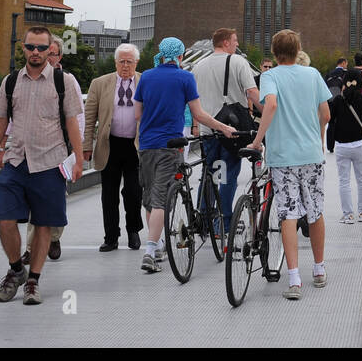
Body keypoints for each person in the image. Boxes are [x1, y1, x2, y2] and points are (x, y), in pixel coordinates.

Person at [0, 27, 83, 306]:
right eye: (31, 47)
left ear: (50, 49)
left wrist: (78, 158)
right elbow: (0, 121)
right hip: (16, 160)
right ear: (23, 49)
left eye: (42, 48)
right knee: (5, 220)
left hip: (50, 162)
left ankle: (33, 281)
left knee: (43, 224)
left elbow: (73, 122)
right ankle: (17, 269)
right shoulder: (11, 81)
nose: (36, 53)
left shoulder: (63, 82)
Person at [134, 37, 237, 274]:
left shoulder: (147, 76)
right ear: (180, 56)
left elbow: (138, 113)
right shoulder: (185, 77)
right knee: (161, 198)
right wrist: (223, 127)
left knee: (150, 196)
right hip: (171, 145)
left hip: (147, 144)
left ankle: (158, 244)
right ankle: (150, 250)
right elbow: (198, 114)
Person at [249, 29, 332, 296]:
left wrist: (258, 140)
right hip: (311, 155)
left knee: (288, 213)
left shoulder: (270, 76)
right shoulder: (313, 74)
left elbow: (270, 105)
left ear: (274, 52)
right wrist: (317, 138)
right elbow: (326, 113)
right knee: (315, 211)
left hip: (283, 157)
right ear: (298, 51)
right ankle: (319, 269)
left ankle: (294, 279)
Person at [22, 36, 84, 264]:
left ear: (58, 56)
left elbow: (78, 117)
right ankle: (31, 246)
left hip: (60, 148)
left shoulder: (66, 81)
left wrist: (77, 153)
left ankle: (54, 237)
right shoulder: (25, 79)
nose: (49, 57)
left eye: (53, 53)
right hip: (32, 149)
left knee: (56, 196)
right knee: (33, 197)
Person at [191, 28, 259, 227]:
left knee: (210, 173)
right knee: (228, 176)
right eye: (235, 41)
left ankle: (204, 221)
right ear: (226, 43)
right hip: (231, 130)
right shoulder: (238, 62)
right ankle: (224, 223)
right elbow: (252, 93)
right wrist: (271, 111)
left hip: (207, 130)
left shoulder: (198, 66)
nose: (237, 45)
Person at [84, 42, 144, 252]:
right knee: (109, 194)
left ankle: (133, 230)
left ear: (136, 63)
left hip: (135, 145)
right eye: (122, 61)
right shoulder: (100, 83)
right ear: (115, 62)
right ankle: (111, 236)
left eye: (129, 62)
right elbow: (89, 117)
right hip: (109, 144)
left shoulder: (144, 81)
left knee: (133, 192)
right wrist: (86, 145)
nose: (125, 65)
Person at [326, 67, 362, 225]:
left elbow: (331, 122)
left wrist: (329, 143)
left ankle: (348, 215)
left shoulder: (338, 100)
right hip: (359, 145)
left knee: (344, 181)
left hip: (342, 146)